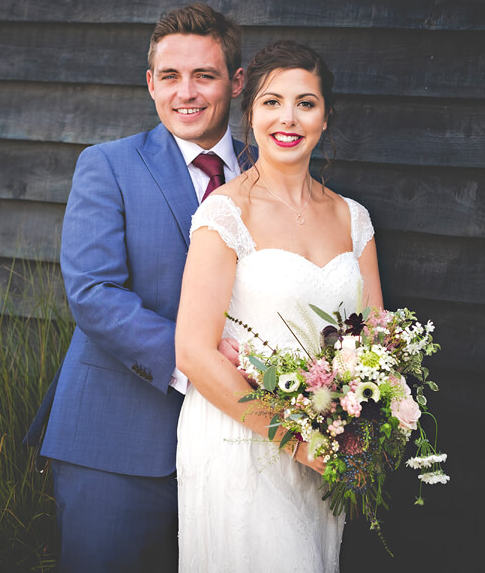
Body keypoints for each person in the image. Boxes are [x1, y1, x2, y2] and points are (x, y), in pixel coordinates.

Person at [28, 3, 249, 573]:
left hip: (242, 449)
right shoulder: (108, 165)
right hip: (116, 441)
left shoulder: (266, 175)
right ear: (150, 83)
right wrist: (197, 360)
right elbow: (93, 292)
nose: (187, 93)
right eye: (170, 76)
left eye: (205, 74)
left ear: (237, 81)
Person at [174, 40, 384, 572]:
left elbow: (378, 342)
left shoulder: (354, 220)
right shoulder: (225, 212)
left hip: (326, 450)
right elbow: (194, 352)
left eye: (305, 103)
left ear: (325, 118)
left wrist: (352, 429)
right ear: (250, 113)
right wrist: (296, 439)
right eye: (271, 102)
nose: (287, 118)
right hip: (242, 440)